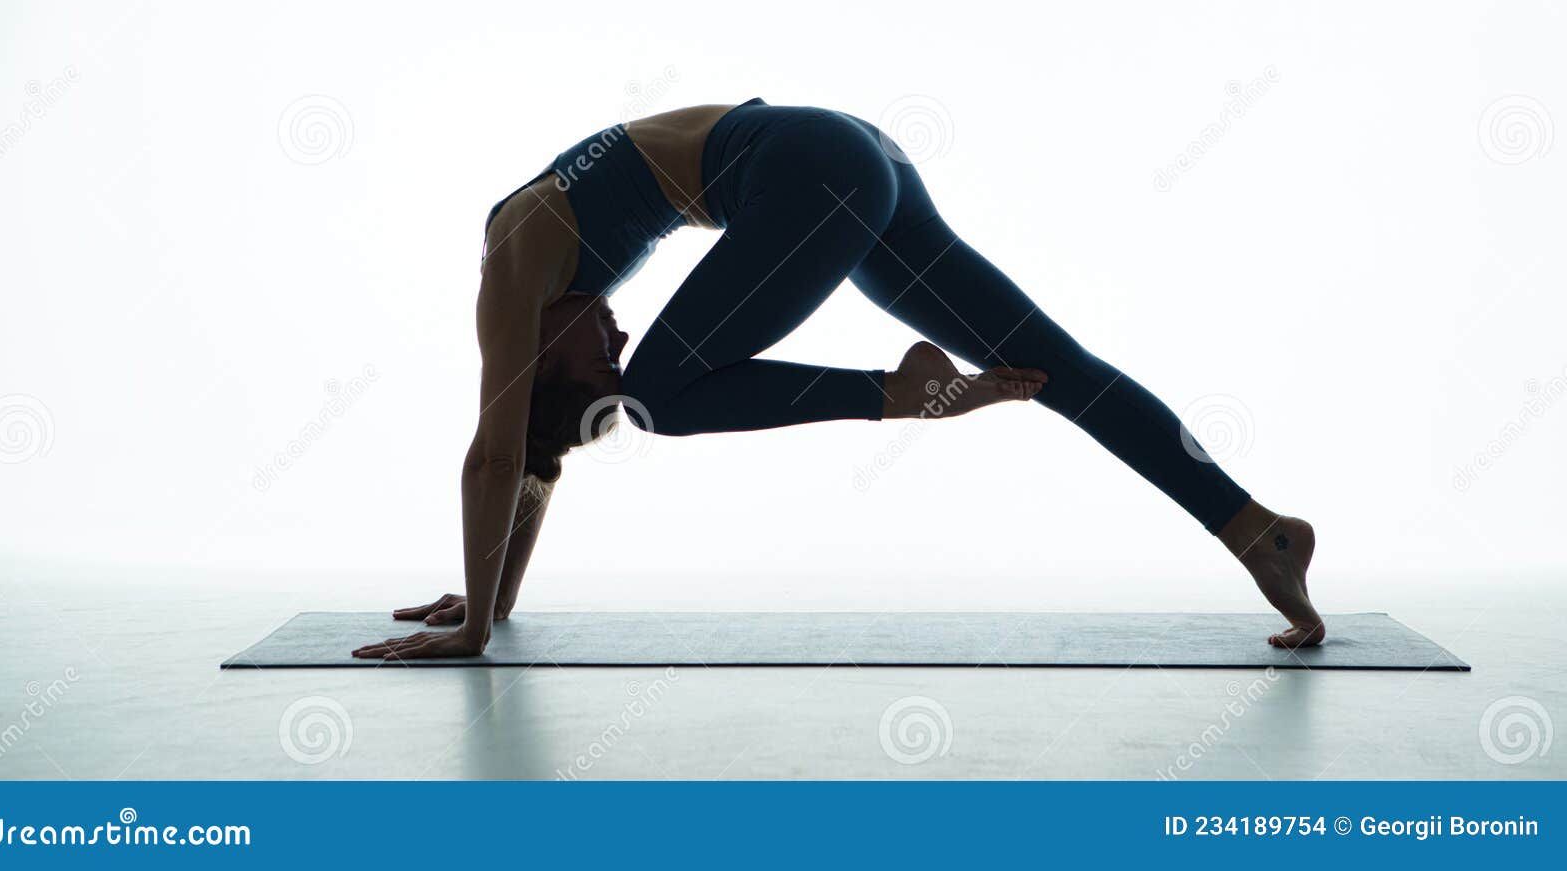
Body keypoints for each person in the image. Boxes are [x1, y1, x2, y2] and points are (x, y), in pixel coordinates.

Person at [353, 99, 1323, 661]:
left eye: (597, 347)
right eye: (610, 341)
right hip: (853, 165)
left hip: (811, 169)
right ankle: (1255, 529)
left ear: (540, 356)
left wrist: (476, 627)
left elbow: (495, 447)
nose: (617, 327)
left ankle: (900, 392)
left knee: (656, 395)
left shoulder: (513, 255)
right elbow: (533, 459)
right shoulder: (563, 301)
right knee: (1050, 368)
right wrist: (497, 599)